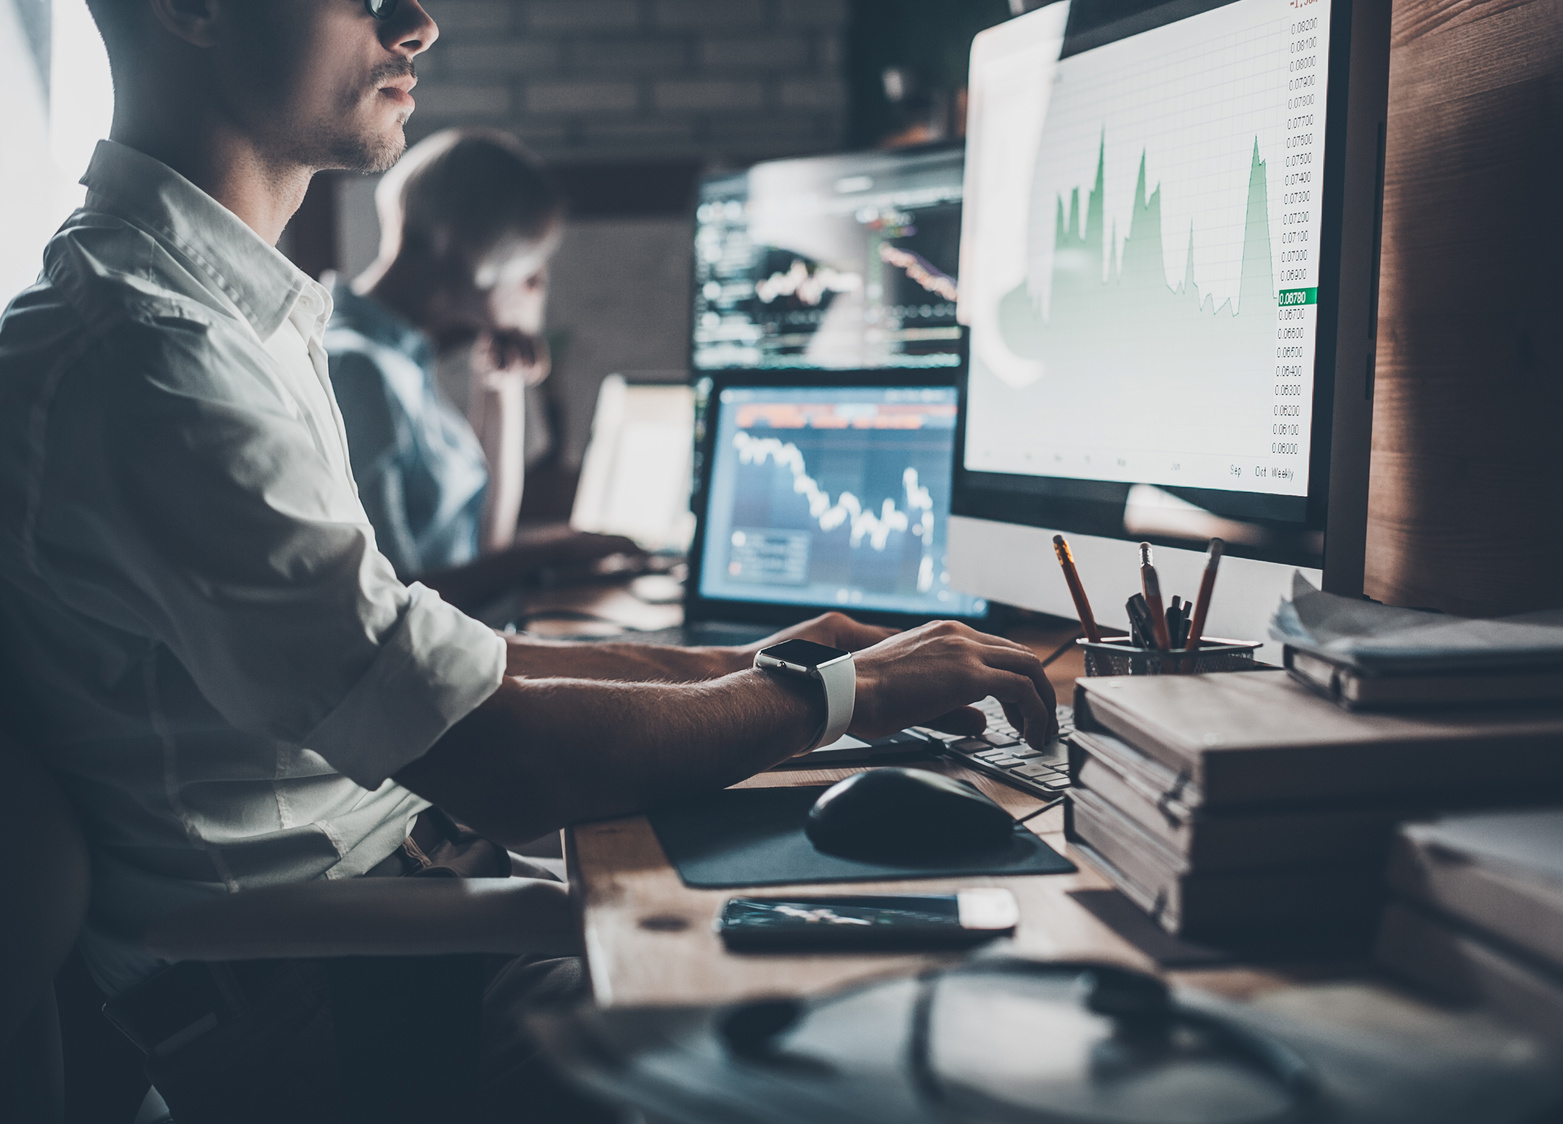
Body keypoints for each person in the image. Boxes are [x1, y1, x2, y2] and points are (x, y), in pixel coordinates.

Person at [0, 0, 1056, 1120]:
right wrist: (842, 695)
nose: (417, 23)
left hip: (396, 919)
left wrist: (766, 663)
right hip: (326, 993)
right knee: (911, 1054)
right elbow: (498, 757)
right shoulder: (153, 356)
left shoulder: (213, 311)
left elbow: (461, 661)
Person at [329, 127, 625, 609]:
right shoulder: (357, 368)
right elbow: (394, 600)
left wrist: (497, 386)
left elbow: (486, 544)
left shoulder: (402, 357)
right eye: (530, 263)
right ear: (470, 251)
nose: (536, 285)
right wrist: (554, 549)